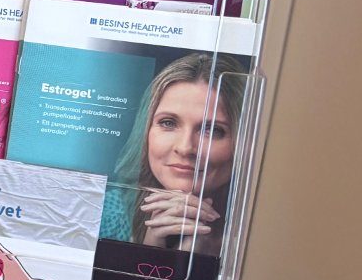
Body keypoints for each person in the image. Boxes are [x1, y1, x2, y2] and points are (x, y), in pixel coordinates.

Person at [100, 53, 250, 254]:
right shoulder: (104, 216)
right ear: (145, 130)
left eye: (213, 130)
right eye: (168, 123)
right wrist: (151, 252)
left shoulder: (265, 230)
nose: (185, 148)